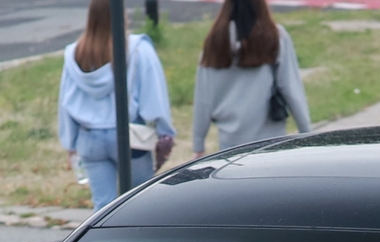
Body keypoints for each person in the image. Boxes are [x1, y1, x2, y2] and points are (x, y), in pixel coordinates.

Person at [58, 0, 176, 208]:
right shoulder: (138, 49)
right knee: (140, 205)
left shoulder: (75, 54)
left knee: (103, 207)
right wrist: (164, 132)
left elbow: (66, 101)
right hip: (130, 136)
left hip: (89, 139)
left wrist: (70, 144)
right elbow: (154, 95)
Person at [191, 0, 311, 156]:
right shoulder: (274, 36)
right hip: (271, 139)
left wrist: (198, 143)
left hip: (230, 142)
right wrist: (306, 132)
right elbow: (291, 89)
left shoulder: (215, 41)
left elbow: (204, 98)